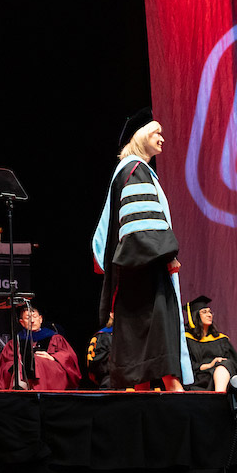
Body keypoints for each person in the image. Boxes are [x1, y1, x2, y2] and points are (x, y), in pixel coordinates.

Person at [91, 108, 191, 391]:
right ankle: (176, 393)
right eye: (157, 132)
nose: (162, 138)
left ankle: (143, 401)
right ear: (141, 134)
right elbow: (141, 225)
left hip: (133, 268)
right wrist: (168, 255)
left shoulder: (128, 170)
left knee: (138, 339)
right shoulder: (135, 170)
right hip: (146, 266)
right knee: (159, 328)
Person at [0, 303, 81, 391]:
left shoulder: (55, 338)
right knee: (23, 363)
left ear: (41, 319)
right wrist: (22, 361)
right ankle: (20, 389)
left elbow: (68, 356)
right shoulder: (15, 342)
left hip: (49, 373)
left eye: (35, 317)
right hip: (21, 373)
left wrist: (53, 357)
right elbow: (5, 365)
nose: (32, 321)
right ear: (22, 322)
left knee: (34, 361)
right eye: (28, 318)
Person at [183, 295, 237, 392]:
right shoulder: (187, 340)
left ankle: (219, 394)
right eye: (204, 312)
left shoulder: (221, 339)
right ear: (195, 316)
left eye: (210, 312)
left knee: (225, 364)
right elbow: (188, 366)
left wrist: (218, 364)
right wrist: (210, 365)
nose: (209, 315)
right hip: (200, 378)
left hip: (222, 377)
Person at [85, 312, 113, 389]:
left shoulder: (136, 334)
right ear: (112, 314)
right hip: (111, 382)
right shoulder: (103, 336)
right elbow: (95, 363)